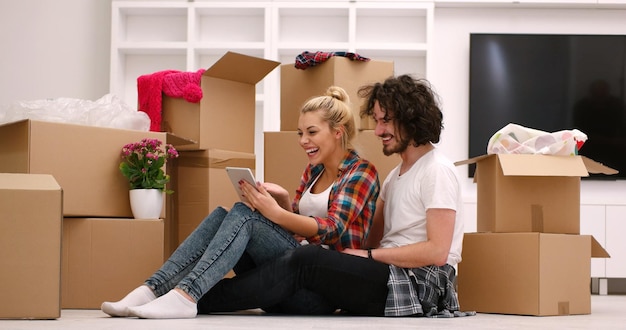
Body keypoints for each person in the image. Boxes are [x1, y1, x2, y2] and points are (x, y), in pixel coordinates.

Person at [195, 75, 474, 318]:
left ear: (412, 118)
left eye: (386, 121)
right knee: (275, 250)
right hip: (387, 273)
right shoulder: (396, 176)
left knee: (307, 259)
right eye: (377, 121)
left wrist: (367, 255)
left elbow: (437, 253)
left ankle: (198, 298)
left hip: (420, 284)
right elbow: (370, 239)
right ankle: (187, 292)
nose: (378, 131)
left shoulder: (437, 170)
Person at [101, 86, 380, 319]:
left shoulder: (361, 172)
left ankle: (185, 295)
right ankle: (154, 288)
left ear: (338, 132)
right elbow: (299, 230)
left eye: (311, 132)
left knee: (245, 215)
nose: (303, 141)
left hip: (320, 291)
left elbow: (331, 229)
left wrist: (273, 213)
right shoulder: (314, 171)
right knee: (226, 213)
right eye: (300, 133)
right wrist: (282, 203)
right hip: (290, 272)